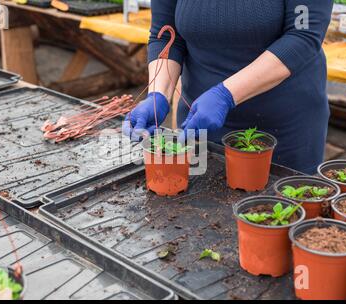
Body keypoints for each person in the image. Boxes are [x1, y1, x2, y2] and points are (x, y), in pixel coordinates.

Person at [123, 0, 334, 174]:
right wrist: (158, 94)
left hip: (282, 127)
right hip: (200, 120)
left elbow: (302, 37)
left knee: (275, 214)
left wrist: (225, 95)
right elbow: (166, 35)